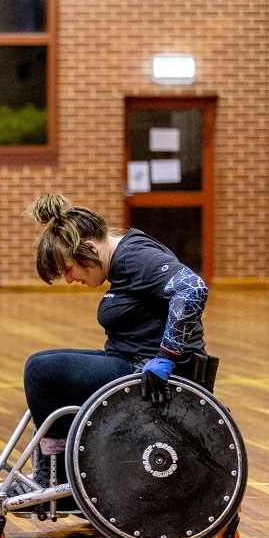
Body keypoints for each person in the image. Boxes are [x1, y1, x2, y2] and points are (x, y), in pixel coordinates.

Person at [17, 193, 208, 509]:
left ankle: (59, 481)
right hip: (130, 362)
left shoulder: (133, 256)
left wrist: (167, 356)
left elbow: (192, 288)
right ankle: (60, 476)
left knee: (41, 372)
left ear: (90, 249)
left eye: (69, 268)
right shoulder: (123, 262)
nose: (69, 279)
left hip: (149, 376)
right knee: (41, 363)